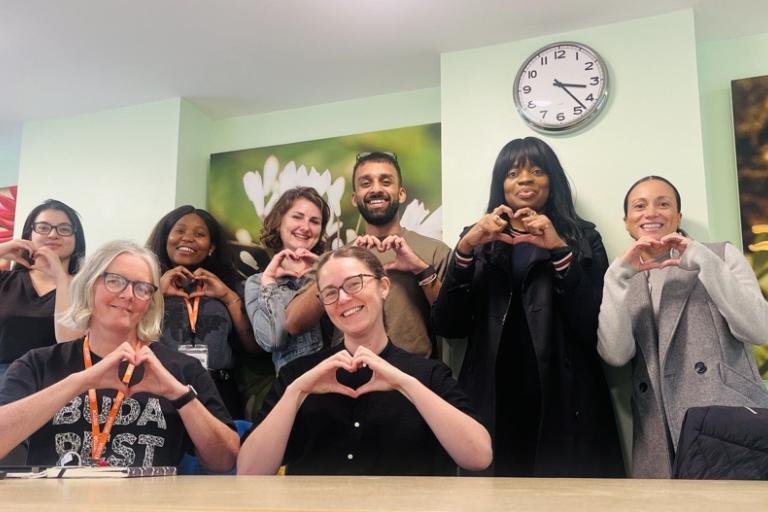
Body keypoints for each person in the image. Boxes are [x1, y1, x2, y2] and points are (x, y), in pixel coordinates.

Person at [432, 137, 624, 477]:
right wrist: (464, 250)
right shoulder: (477, 239)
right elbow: (449, 325)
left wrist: (560, 250)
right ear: (501, 184)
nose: (525, 179)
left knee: (566, 496)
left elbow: (594, 326)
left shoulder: (583, 237)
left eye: (537, 171)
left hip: (566, 396)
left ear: (552, 180)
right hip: (493, 394)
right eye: (513, 173)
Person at [237, 246, 492, 476]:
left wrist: (405, 384)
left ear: (383, 287)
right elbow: (249, 471)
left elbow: (478, 457)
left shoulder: (428, 374)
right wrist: (296, 392)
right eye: (330, 292)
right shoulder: (298, 375)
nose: (343, 299)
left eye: (354, 284)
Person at [0, 240, 239, 469]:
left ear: (150, 302)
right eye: (115, 281)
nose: (128, 295)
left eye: (142, 288)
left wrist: (179, 395)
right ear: (89, 286)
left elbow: (224, 460)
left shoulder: (183, 369)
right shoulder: (38, 364)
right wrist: (79, 383)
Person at [597, 175, 768, 478]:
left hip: (725, 424)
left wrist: (703, 260)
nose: (651, 212)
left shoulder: (720, 254)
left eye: (663, 204)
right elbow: (616, 354)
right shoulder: (622, 273)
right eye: (640, 206)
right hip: (656, 431)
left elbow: (759, 329)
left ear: (678, 216)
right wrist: (617, 276)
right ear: (627, 222)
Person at [284, 151, 451, 358]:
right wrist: (338, 269)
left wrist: (421, 269)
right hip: (349, 372)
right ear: (355, 199)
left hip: (413, 374)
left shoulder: (434, 251)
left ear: (401, 194)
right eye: (365, 183)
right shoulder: (333, 260)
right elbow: (294, 324)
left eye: (385, 181)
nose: (376, 189)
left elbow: (453, 324)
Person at [146, 206, 259, 419]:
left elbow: (253, 346)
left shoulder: (232, 286)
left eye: (199, 234)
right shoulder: (144, 284)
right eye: (180, 231)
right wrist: (157, 293)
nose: (188, 238)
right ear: (166, 238)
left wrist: (227, 296)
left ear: (211, 247)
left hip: (219, 391)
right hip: (160, 390)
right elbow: (126, 335)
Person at [245, 187, 330, 374]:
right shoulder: (256, 283)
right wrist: (269, 282)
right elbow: (273, 341)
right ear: (278, 223)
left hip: (341, 379)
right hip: (294, 384)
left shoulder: (333, 269)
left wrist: (326, 273)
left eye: (314, 221)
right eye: (297, 217)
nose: (305, 227)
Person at [0, 199, 85, 384]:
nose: (53, 235)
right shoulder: (6, 280)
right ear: (29, 234)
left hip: (55, 384)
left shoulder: (86, 288)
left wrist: (61, 277)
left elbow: (70, 344)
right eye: (43, 228)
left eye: (64, 229)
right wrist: (3, 248)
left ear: (76, 239)